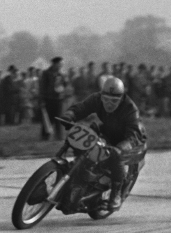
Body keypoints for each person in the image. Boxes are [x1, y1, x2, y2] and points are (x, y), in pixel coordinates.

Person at [62, 75, 147, 211]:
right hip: (110, 131)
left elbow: (133, 136)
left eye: (114, 101)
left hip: (132, 141)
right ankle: (79, 177)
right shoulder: (97, 98)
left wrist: (120, 148)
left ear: (121, 99)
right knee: (87, 138)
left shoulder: (130, 110)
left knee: (115, 156)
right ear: (101, 95)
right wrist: (70, 115)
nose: (109, 104)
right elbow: (82, 107)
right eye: (106, 99)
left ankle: (116, 194)